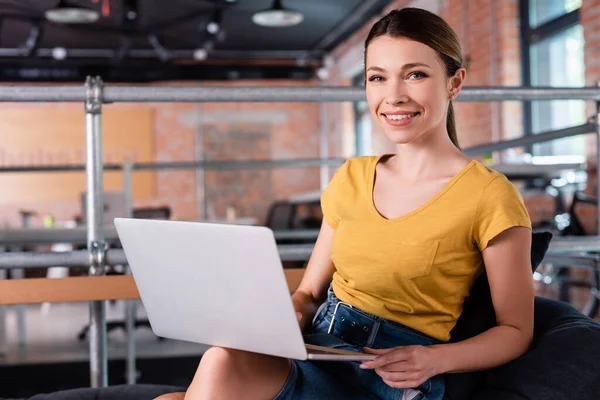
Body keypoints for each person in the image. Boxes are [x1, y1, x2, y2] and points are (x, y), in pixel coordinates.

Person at [158, 7, 533, 400]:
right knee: (218, 361)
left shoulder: (490, 195)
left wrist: (435, 359)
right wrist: (287, 317)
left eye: (415, 74)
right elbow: (308, 293)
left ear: (454, 83)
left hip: (390, 374)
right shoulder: (351, 177)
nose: (394, 96)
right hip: (320, 348)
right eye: (377, 78)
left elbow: (516, 332)